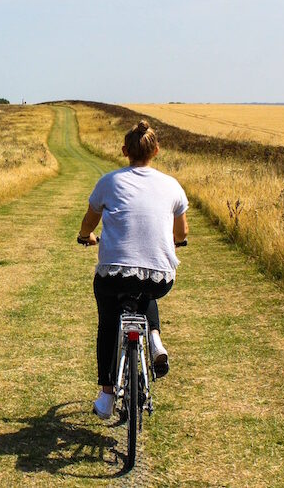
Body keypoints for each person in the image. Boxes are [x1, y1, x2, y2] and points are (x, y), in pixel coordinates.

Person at [77, 120, 189, 420]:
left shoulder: (109, 182)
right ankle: (153, 337)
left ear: (125, 150)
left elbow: (89, 223)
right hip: (160, 277)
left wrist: (86, 235)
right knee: (146, 285)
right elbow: (181, 234)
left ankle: (106, 395)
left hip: (114, 274)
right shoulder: (172, 185)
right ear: (156, 150)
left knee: (108, 321)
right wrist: (177, 242)